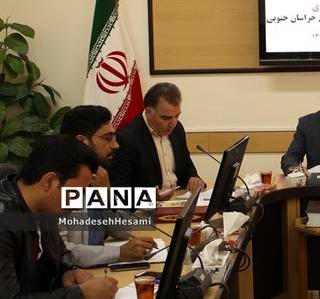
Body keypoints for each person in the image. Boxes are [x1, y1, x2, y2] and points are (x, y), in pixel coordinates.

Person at [0, 135, 118, 298]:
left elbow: (55, 258)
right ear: (50, 181)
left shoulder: (43, 209)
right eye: (76, 193)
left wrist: (68, 271)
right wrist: (81, 293)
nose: (79, 205)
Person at [60, 105, 157, 267]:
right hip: (74, 276)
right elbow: (61, 252)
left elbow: (123, 231)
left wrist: (107, 194)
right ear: (81, 141)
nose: (116, 145)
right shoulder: (59, 183)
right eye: (107, 138)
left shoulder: (99, 175)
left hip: (96, 269)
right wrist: (119, 253)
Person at [109, 83, 205, 200]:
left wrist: (193, 177)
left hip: (178, 197)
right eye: (166, 118)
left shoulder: (177, 129)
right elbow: (119, 190)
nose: (173, 123)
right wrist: (150, 198)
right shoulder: (127, 138)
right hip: (147, 207)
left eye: (177, 116)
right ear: (148, 112)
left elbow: (186, 163)